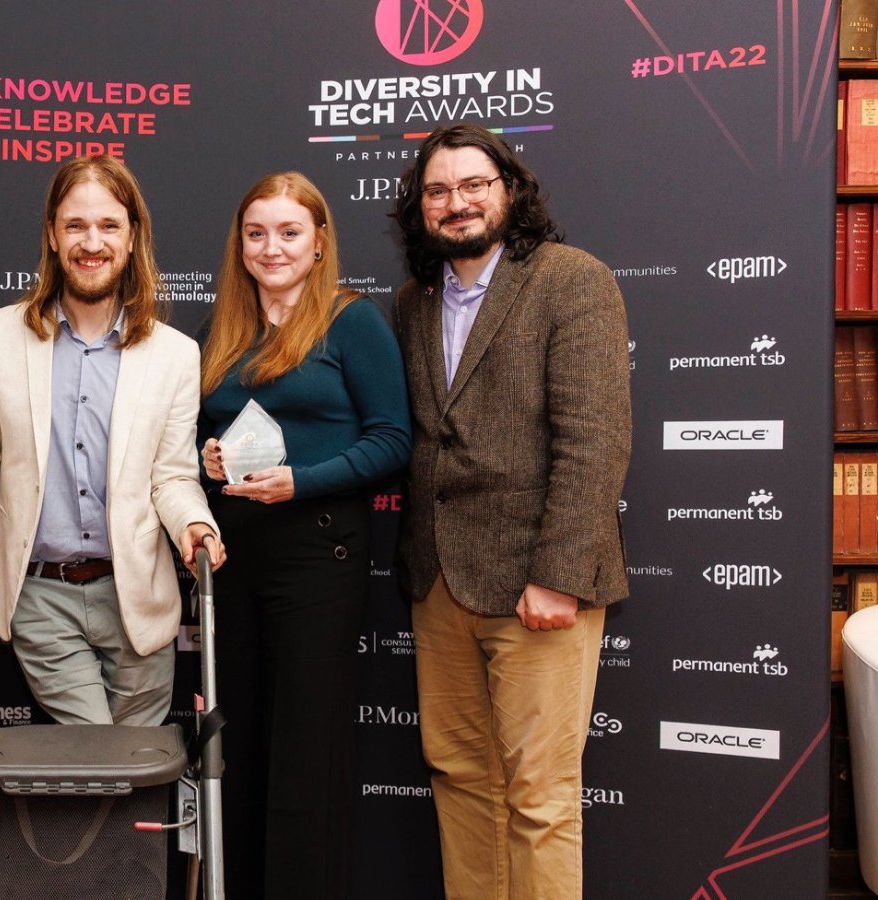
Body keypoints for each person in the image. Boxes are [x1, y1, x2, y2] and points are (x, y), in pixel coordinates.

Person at [390, 123, 631, 899]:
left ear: (509, 191)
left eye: (473, 185)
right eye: (438, 190)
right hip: (439, 586)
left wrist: (559, 576)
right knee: (461, 779)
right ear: (420, 209)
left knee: (541, 799)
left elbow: (594, 441)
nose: (456, 203)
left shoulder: (571, 279)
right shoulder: (411, 303)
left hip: (538, 585)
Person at [0, 154, 223, 727]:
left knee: (135, 775)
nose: (92, 242)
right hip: (41, 599)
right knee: (95, 756)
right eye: (75, 225)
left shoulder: (176, 354)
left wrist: (195, 526)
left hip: (139, 599)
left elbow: (173, 476)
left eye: (109, 226)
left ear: (132, 238)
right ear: (53, 236)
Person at [196, 171, 410, 897]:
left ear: (319, 243)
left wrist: (303, 479)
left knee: (305, 760)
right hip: (234, 559)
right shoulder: (223, 327)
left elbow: (392, 442)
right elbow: (199, 431)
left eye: (289, 232)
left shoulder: (352, 322)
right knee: (240, 752)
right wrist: (209, 455)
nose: (271, 247)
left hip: (321, 554)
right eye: (256, 233)